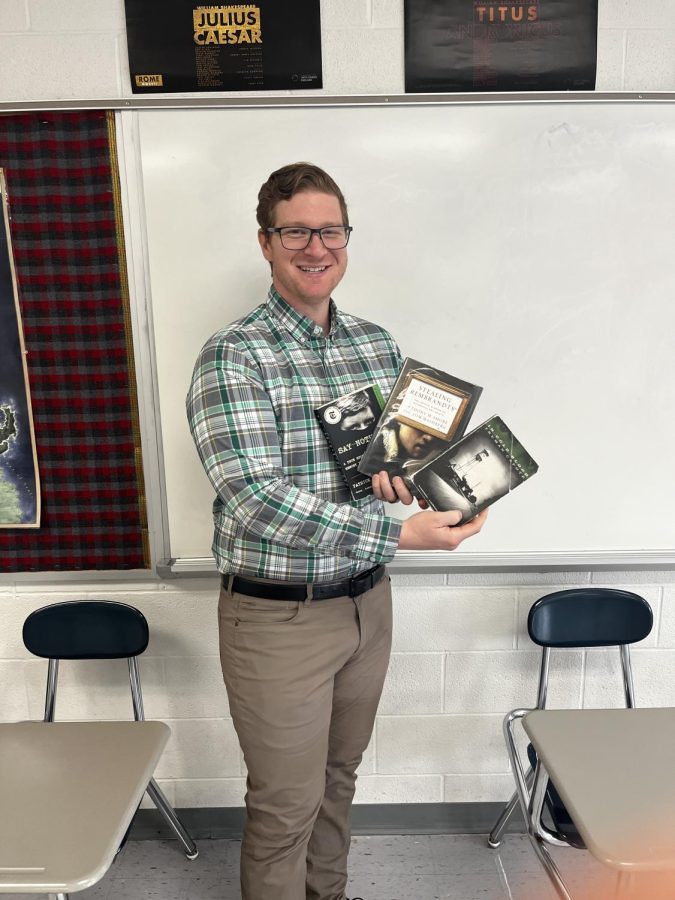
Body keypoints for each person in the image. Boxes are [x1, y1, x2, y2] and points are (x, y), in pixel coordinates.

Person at [186, 162, 487, 900]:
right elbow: (253, 497)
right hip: (276, 615)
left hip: (365, 605)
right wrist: (400, 537)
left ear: (346, 239)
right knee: (286, 803)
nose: (315, 246)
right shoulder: (235, 354)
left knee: (337, 778)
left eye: (330, 230)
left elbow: (391, 466)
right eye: (296, 230)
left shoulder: (375, 345)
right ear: (265, 242)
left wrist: (435, 487)